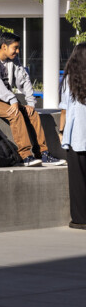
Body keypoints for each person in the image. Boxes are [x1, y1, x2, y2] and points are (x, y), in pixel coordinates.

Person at [0, 33, 64, 167]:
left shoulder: (14, 60)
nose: (18, 51)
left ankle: (42, 153)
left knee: (32, 113)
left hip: (5, 99)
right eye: (15, 48)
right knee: (14, 113)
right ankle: (25, 156)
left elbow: (24, 79)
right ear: (4, 47)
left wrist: (31, 103)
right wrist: (12, 99)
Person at [61, 43, 86, 229]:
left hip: (77, 136)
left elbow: (65, 111)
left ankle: (80, 219)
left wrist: (62, 132)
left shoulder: (70, 80)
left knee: (78, 181)